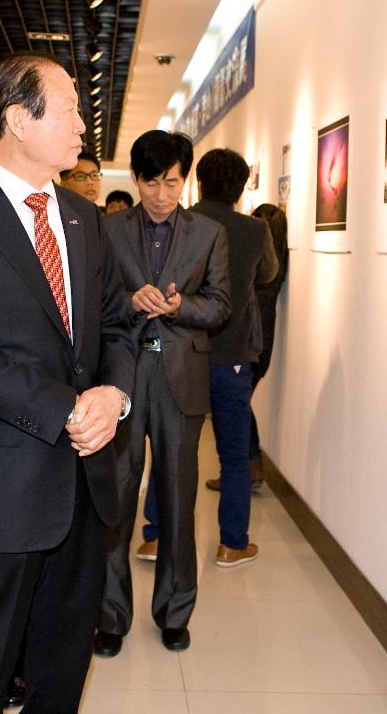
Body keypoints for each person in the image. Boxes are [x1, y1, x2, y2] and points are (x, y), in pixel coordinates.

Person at [0, 52, 135, 713]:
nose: (81, 125)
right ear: (16, 117)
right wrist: (67, 406)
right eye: (68, 107)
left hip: (86, 483)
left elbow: (118, 325)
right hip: (0, 483)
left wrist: (112, 395)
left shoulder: (85, 219)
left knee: (62, 668)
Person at [94, 130, 229, 657]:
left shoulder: (208, 233)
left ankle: (175, 612)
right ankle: (110, 616)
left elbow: (220, 305)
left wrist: (179, 307)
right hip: (124, 375)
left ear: (185, 178)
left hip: (181, 378)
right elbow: (97, 299)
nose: (160, 193)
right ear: (136, 179)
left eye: (172, 182)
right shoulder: (108, 231)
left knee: (178, 498)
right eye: (151, 182)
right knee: (117, 499)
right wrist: (130, 299)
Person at [191, 148, 277, 567]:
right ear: (242, 188)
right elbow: (268, 275)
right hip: (233, 355)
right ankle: (232, 543)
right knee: (234, 456)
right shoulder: (255, 230)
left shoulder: (181, 221)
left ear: (199, 181)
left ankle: (156, 536)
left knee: (176, 452)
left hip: (184, 354)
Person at [206, 203, 289, 493]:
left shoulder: (262, 268)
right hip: (254, 345)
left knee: (234, 414)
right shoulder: (274, 265)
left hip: (248, 344)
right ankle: (249, 467)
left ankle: (249, 467)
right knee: (238, 409)